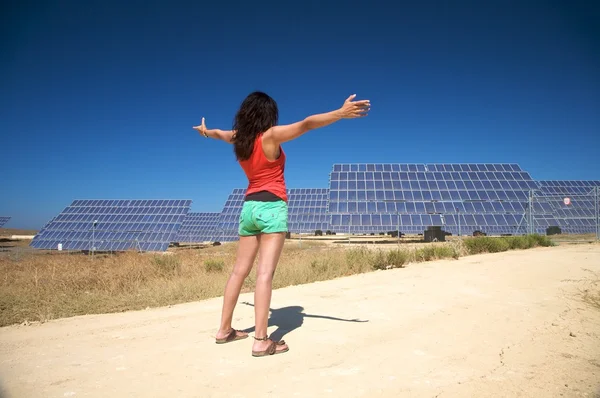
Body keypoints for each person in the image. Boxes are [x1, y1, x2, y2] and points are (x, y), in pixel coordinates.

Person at [193, 91, 370, 357]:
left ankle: (224, 330)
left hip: (249, 207)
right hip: (272, 207)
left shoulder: (238, 138)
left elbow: (220, 133)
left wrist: (206, 132)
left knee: (238, 272)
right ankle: (262, 340)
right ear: (268, 114)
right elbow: (307, 123)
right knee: (265, 274)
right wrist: (340, 113)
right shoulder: (270, 136)